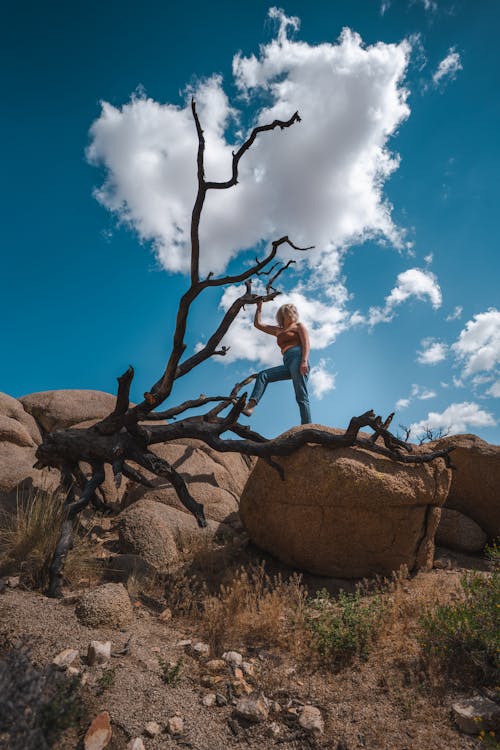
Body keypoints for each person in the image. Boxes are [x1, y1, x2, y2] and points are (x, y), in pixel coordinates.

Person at [242, 301, 312, 424]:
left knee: (301, 395)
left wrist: (304, 361)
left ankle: (307, 425)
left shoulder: (299, 326)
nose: (292, 315)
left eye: (293, 313)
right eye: (289, 313)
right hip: (287, 362)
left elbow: (306, 344)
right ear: (282, 315)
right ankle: (250, 406)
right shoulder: (277, 330)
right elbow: (258, 324)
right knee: (263, 375)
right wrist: (259, 307)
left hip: (298, 357)